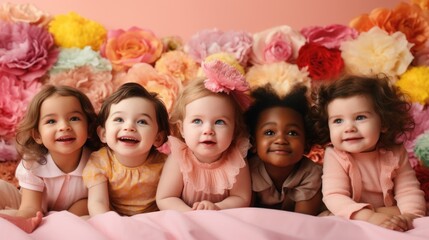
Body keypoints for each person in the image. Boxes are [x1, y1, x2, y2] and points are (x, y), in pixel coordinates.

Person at [312, 75, 426, 231]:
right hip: (351, 214)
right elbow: (335, 195)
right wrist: (369, 216)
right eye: (338, 121)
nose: (349, 128)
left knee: (415, 215)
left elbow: (408, 191)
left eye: (360, 117)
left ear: (384, 123)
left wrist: (409, 216)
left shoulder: (396, 152)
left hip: (391, 214)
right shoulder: (335, 155)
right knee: (325, 221)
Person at [0, 85, 101, 233]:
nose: (64, 127)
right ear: (38, 135)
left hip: (74, 215)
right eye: (51, 121)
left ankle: (58, 226)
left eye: (74, 118)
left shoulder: (97, 162)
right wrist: (24, 220)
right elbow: (30, 207)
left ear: (89, 128)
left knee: (86, 210)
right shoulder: (33, 164)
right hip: (31, 206)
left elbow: (94, 203)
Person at [156, 59, 252, 211]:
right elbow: (165, 198)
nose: (208, 130)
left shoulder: (236, 159)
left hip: (223, 220)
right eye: (197, 121)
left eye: (220, 122)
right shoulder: (179, 158)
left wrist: (216, 208)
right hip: (185, 219)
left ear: (234, 129)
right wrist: (192, 214)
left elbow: (241, 198)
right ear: (181, 129)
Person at [82, 82, 170, 216]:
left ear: (157, 138)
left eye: (142, 121)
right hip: (112, 219)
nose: (129, 127)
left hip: (154, 219)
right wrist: (110, 225)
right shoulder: (100, 162)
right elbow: (98, 202)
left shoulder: (166, 165)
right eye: (119, 119)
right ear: (103, 134)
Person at [244, 84, 323, 215]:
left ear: (306, 142)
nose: (280, 140)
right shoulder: (247, 171)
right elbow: (246, 215)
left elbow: (304, 222)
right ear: (253, 142)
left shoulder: (311, 173)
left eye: (292, 133)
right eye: (269, 132)